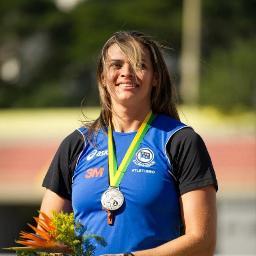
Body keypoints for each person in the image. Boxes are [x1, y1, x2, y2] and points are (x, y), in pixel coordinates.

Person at [40, 31, 218, 256]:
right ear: (103, 77)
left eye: (139, 65)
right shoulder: (77, 144)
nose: (126, 73)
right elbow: (45, 238)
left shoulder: (180, 141)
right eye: (116, 65)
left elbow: (203, 242)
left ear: (156, 78)